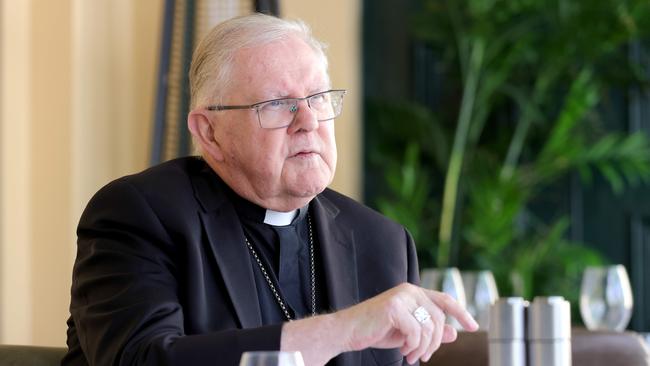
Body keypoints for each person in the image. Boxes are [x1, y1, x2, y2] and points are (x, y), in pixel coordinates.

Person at [63, 13, 477, 366]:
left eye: (318, 97)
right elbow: (143, 359)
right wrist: (341, 330)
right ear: (210, 133)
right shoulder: (140, 214)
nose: (309, 121)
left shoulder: (381, 241)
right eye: (277, 104)